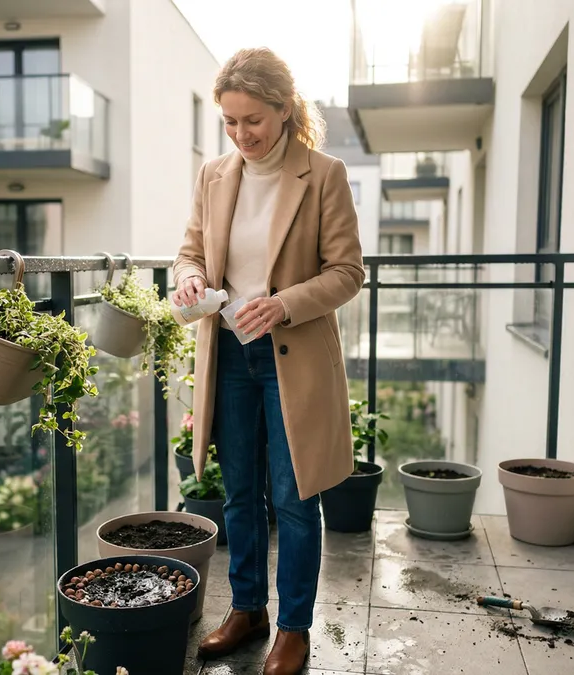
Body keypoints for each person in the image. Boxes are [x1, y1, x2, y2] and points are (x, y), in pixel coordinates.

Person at [172, 47, 364, 675]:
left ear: (284, 109)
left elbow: (347, 273)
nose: (241, 134)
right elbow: (190, 252)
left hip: (292, 360)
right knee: (237, 494)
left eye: (252, 119)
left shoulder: (323, 174)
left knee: (293, 497)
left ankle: (294, 628)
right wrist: (190, 279)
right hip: (228, 352)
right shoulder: (214, 175)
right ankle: (247, 608)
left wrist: (282, 305)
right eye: (229, 121)